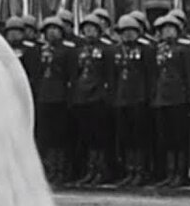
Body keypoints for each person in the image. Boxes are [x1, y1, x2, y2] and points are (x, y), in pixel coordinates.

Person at [151, 14, 190, 188]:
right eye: (164, 29)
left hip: (179, 99)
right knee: (167, 139)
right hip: (162, 99)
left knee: (179, 139)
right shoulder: (160, 48)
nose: (167, 32)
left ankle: (180, 173)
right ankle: (170, 172)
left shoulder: (185, 48)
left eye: (171, 28)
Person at [111, 14, 155, 187]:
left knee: (139, 138)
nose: (128, 35)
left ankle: (141, 171)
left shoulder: (146, 49)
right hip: (123, 99)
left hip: (140, 99)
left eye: (131, 31)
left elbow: (151, 75)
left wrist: (149, 97)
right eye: (124, 31)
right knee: (127, 138)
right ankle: (130, 170)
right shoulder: (117, 49)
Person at [71, 13, 112, 187]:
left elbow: (110, 74)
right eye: (86, 28)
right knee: (86, 136)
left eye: (92, 28)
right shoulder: (79, 50)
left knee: (99, 137)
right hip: (82, 97)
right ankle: (90, 170)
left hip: (98, 97)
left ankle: (100, 170)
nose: (89, 31)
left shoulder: (106, 49)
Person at [36, 16, 76, 184]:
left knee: (60, 137)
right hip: (45, 96)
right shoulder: (41, 50)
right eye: (48, 30)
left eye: (55, 29)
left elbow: (72, 74)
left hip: (61, 96)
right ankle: (50, 168)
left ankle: (61, 169)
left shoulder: (67, 50)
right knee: (47, 136)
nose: (52, 33)